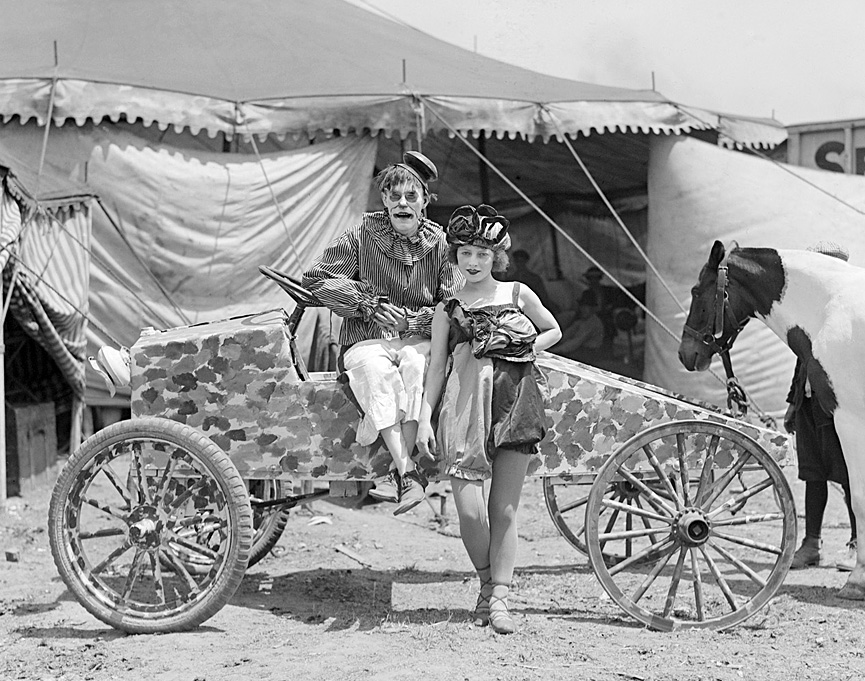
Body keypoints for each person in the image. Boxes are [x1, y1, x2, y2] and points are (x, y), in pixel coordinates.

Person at [416, 204, 561, 634]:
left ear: (495, 256)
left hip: (514, 405)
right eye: (465, 253)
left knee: (505, 509)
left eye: (482, 253)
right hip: (462, 411)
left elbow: (553, 329)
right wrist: (425, 419)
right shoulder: (448, 308)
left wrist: (528, 346)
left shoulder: (517, 294)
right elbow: (437, 367)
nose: (474, 262)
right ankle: (484, 580)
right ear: (455, 256)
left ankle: (498, 596)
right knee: (470, 512)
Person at [302, 151, 461, 515]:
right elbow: (316, 280)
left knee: (416, 366)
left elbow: (453, 306)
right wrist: (366, 305)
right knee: (375, 370)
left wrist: (413, 323)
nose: (402, 203)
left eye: (411, 196)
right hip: (365, 338)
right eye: (394, 196)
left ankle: (400, 475)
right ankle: (408, 474)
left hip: (417, 338)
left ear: (424, 202)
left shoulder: (439, 244)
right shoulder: (362, 234)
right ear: (384, 200)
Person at [785, 241, 857, 571]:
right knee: (813, 476)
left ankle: (857, 541)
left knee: (848, 476)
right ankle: (811, 543)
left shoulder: (847, 313)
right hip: (808, 404)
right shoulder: (810, 313)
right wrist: (792, 403)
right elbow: (802, 362)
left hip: (836, 406)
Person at [549, 289, 605, 363]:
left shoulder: (593, 323)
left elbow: (575, 342)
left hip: (589, 354)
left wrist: (554, 351)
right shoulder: (580, 319)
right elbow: (568, 334)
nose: (583, 309)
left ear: (592, 309)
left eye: (587, 307)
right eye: (582, 306)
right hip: (578, 350)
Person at [502, 249, 559, 313]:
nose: (519, 264)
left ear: (526, 261)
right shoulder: (510, 280)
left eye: (521, 261)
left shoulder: (535, 278)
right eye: (517, 261)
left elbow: (543, 297)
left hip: (534, 309)